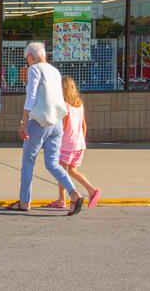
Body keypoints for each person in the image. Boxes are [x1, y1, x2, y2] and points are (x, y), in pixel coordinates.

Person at [5, 41, 85, 216]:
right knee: (52, 163)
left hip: (39, 122)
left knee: (28, 161)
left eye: (28, 60)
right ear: (45, 55)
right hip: (56, 123)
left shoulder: (35, 69)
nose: (28, 63)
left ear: (31, 57)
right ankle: (74, 193)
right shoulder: (54, 71)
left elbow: (31, 95)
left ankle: (24, 201)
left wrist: (23, 121)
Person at [46, 76, 102, 209]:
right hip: (79, 144)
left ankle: (61, 199)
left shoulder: (64, 106)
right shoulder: (79, 104)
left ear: (63, 91)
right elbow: (84, 126)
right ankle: (91, 190)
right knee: (72, 171)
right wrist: (81, 140)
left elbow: (62, 127)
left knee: (61, 171)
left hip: (66, 144)